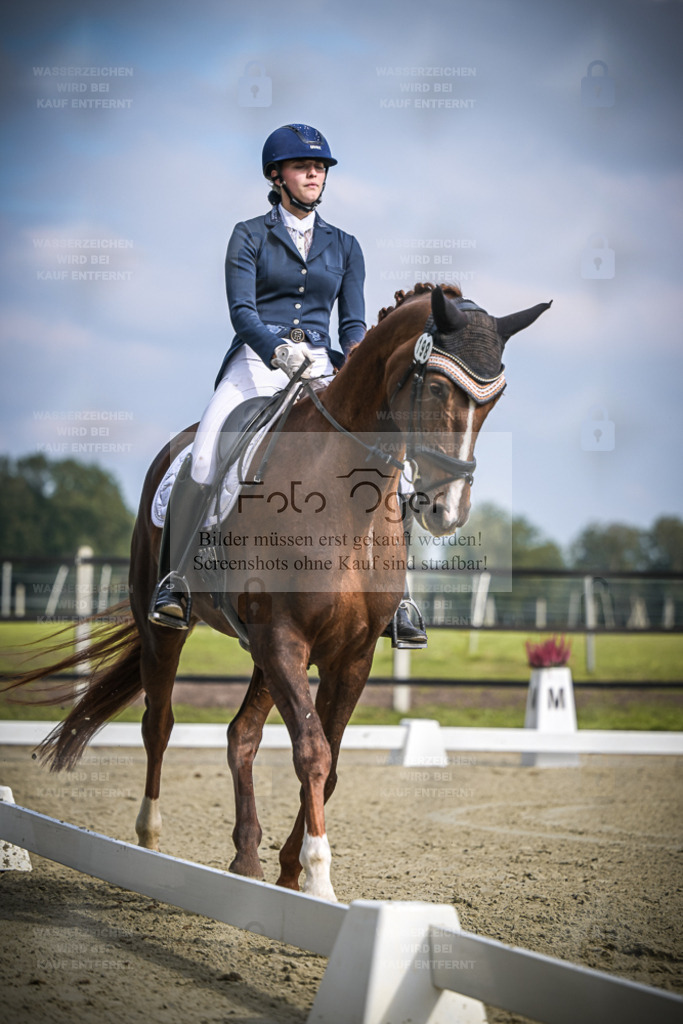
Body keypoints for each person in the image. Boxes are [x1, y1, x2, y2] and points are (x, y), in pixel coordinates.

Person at [148, 123, 426, 647]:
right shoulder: (249, 234)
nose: (315, 173)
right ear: (276, 176)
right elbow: (241, 312)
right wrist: (275, 349)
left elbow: (351, 324)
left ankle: (399, 595)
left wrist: (352, 363)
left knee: (396, 471)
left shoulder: (345, 246)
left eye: (320, 167)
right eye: (303, 167)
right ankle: (178, 579)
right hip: (256, 361)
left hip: (320, 363)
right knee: (205, 454)